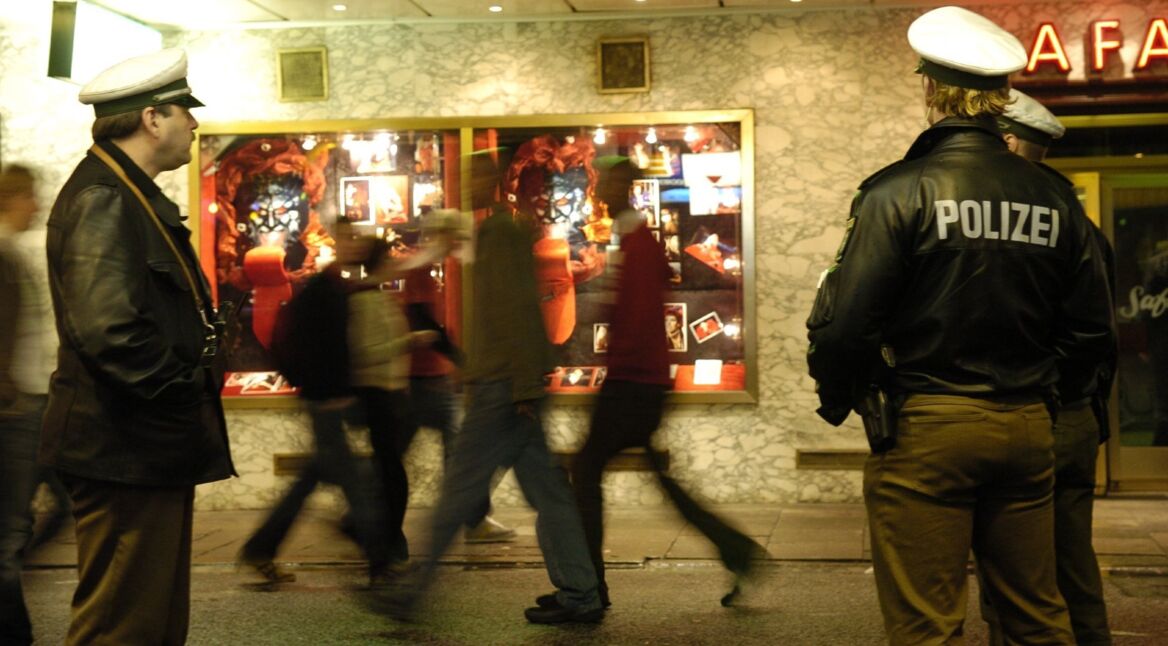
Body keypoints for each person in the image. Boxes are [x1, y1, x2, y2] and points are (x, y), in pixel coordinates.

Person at [805, 7, 1114, 645]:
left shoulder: (897, 191)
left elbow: (846, 324)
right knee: (1035, 616)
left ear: (929, 90)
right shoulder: (1055, 197)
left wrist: (844, 400)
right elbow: (1091, 330)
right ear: (1001, 100)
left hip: (928, 426)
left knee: (928, 623)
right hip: (1028, 424)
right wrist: (1046, 400)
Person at [41, 49, 235, 644]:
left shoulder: (125, 192)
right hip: (125, 448)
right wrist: (184, 390)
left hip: (142, 446)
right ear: (153, 118)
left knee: (150, 621)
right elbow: (109, 332)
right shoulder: (105, 198)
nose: (195, 126)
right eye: (186, 113)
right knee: (121, 626)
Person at [368, 153, 603, 625]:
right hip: (512, 383)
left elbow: (516, 309)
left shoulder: (500, 233)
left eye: (473, 175)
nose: (465, 183)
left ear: (493, 182)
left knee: (459, 492)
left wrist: (515, 384)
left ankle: (411, 596)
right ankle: (581, 591)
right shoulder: (497, 232)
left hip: (503, 386)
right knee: (548, 492)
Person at [569, 159, 765, 611]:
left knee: (585, 472)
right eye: (605, 184)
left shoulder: (636, 242)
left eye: (614, 183)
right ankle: (737, 550)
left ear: (628, 187)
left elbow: (634, 318)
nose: (605, 192)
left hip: (632, 382)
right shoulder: (633, 239)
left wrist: (616, 369)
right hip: (643, 381)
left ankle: (589, 587)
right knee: (657, 478)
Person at [976, 89, 1115, 646]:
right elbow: (1095, 332)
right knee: (1072, 565)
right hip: (1077, 412)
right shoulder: (1077, 220)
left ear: (1008, 141)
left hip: (1036, 409)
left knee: (1012, 575)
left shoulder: (1009, 223)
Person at [239, 222, 393, 587]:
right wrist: (320, 389)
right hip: (326, 400)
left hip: (329, 397)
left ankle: (261, 548)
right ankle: (379, 561)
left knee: (311, 480)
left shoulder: (337, 287)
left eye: (356, 238)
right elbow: (294, 341)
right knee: (355, 484)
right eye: (347, 238)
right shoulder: (323, 289)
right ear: (334, 244)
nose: (353, 244)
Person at [398, 211, 517, 544]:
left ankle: (364, 508)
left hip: (425, 377)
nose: (460, 245)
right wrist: (461, 361)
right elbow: (425, 323)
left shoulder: (424, 268)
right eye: (457, 238)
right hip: (427, 380)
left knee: (412, 449)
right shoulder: (421, 269)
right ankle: (474, 519)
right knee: (464, 450)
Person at [0, 164, 53, 646]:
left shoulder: (12, 251)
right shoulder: (3, 253)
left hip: (23, 404)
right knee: (10, 531)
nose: (35, 206)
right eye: (29, 197)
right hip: (15, 410)